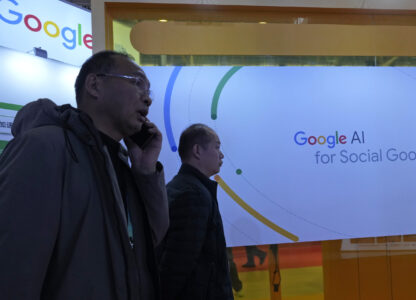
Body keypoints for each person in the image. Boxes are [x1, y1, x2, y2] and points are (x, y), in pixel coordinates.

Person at [0, 51, 169, 300]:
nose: (147, 99)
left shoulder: (121, 162)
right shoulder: (46, 147)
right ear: (94, 85)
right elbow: (13, 266)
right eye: (136, 82)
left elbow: (151, 240)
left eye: (149, 90)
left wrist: (145, 172)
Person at [158, 123, 233, 300]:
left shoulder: (180, 187)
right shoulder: (194, 196)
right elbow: (178, 265)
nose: (221, 155)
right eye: (217, 147)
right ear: (197, 150)